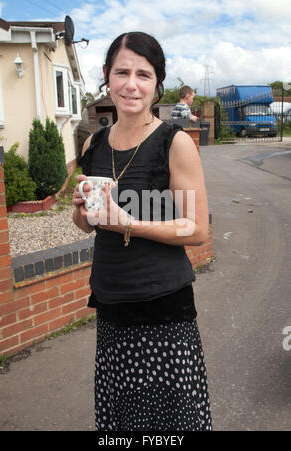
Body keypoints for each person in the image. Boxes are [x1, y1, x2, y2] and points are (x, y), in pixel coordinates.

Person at [72, 31, 212, 431]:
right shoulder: (94, 144)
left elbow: (196, 227)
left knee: (170, 422)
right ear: (106, 76)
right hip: (112, 304)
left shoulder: (175, 142)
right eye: (122, 72)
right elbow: (89, 225)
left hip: (164, 309)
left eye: (143, 74)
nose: (131, 84)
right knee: (124, 420)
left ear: (157, 83)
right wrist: (82, 212)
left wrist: (129, 223)